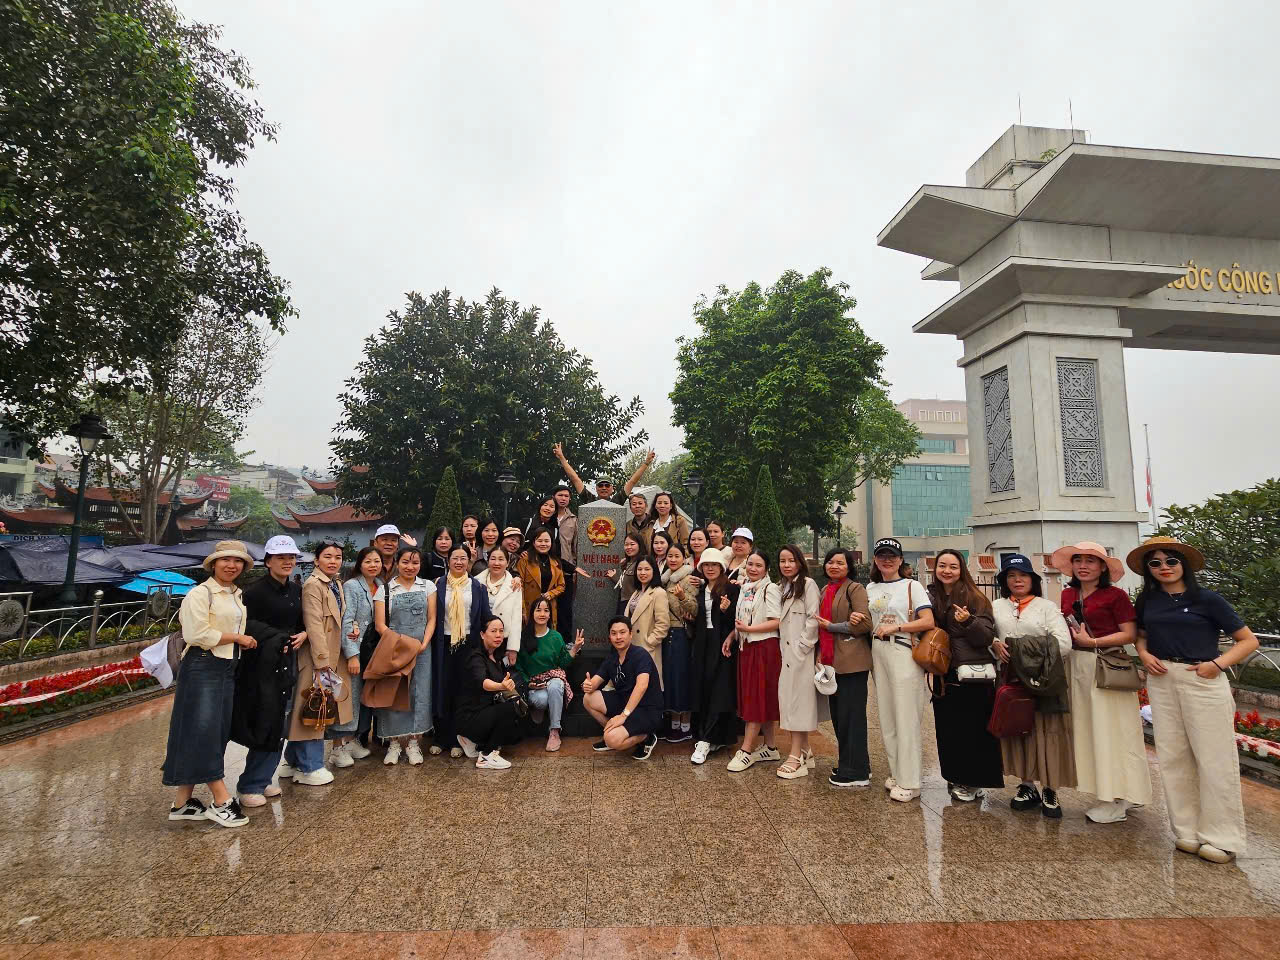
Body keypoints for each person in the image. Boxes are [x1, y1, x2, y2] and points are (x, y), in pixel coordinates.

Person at [1131, 535, 1259, 863]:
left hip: (1202, 678)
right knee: (1174, 757)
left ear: (1183, 564)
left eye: (1171, 561)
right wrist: (1144, 654)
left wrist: (1217, 664)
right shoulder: (1148, 601)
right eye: (1155, 563)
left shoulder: (1207, 599)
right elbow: (1141, 636)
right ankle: (1186, 830)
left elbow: (1248, 641)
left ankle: (1221, 836)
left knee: (1215, 758)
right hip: (1162, 679)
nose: (1164, 567)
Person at [1052, 540, 1151, 824]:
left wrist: (1093, 641)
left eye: (1090, 561)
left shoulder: (1115, 596)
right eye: (1078, 560)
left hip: (1106, 666)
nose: (1083, 566)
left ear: (1103, 567)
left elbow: (1129, 633)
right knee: (1090, 731)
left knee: (1115, 731)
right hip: (1077, 666)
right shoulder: (1068, 594)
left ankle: (1118, 796)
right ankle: (1117, 792)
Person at [163, 540, 256, 827]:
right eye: (225, 560)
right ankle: (220, 799)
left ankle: (182, 802)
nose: (232, 565)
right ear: (213, 564)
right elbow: (196, 633)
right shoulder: (199, 594)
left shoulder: (235, 594)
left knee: (209, 731)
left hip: (226, 666)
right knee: (204, 731)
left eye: (238, 561)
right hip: (203, 665)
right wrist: (238, 638)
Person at [991, 554, 1074, 819]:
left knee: (1047, 732)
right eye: (1011, 576)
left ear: (1032, 579)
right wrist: (994, 644)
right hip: (1011, 679)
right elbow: (990, 636)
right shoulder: (996, 606)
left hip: (1043, 680)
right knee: (1019, 731)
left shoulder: (1046, 607)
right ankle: (1027, 785)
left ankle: (1050, 788)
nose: (1018, 580)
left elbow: (1064, 644)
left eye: (1023, 575)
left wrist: (1022, 649)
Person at [234, 535, 308, 808]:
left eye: (291, 558)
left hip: (287, 662)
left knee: (281, 719)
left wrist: (304, 633)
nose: (287, 562)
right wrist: (276, 637)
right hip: (262, 665)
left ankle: (263, 778)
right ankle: (250, 784)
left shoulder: (296, 590)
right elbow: (244, 624)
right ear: (268, 562)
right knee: (266, 719)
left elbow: (302, 622)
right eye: (281, 558)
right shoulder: (253, 592)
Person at [927, 548, 1002, 802]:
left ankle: (973, 781)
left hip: (971, 674)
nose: (947, 571)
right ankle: (956, 776)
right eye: (942, 566)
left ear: (962, 570)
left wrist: (969, 621)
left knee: (973, 729)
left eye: (953, 566)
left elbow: (987, 637)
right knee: (948, 729)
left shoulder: (975, 597)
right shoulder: (932, 596)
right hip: (944, 673)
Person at [866, 537, 936, 803]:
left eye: (892, 556)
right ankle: (897, 772)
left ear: (900, 559)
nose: (887, 560)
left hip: (903, 649)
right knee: (887, 717)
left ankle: (911, 781)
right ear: (875, 560)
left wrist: (897, 627)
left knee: (906, 717)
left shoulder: (912, 585)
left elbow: (927, 620)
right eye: (882, 555)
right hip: (878, 650)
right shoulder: (871, 587)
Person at [283, 541, 353, 786]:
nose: (333, 561)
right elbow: (313, 623)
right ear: (316, 560)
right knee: (315, 709)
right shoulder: (314, 585)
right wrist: (322, 662)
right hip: (317, 657)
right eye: (328, 556)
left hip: (330, 654)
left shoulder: (335, 583)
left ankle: (292, 761)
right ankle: (309, 766)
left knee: (312, 707)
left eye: (338, 557)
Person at [815, 548, 873, 787]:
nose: (834, 566)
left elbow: (865, 624)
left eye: (840, 563)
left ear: (849, 567)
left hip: (852, 662)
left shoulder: (854, 589)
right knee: (840, 717)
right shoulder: (825, 590)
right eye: (830, 562)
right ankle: (855, 764)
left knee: (852, 717)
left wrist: (832, 627)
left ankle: (855, 772)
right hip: (832, 662)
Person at [376, 546, 437, 766]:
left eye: (415, 563)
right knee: (394, 693)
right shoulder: (385, 589)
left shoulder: (428, 586)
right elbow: (380, 625)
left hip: (421, 650)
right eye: (405, 562)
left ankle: (414, 743)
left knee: (420, 694)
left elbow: (432, 619)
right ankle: (393, 743)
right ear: (397, 563)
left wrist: (423, 644)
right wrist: (401, 645)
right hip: (394, 649)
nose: (410, 567)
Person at [432, 544, 493, 757]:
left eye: (463, 558)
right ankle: (440, 737)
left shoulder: (477, 587)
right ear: (448, 561)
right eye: (455, 558)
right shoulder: (437, 585)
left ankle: (458, 738)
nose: (459, 562)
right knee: (443, 688)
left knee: (464, 692)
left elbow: (485, 617)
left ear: (469, 561)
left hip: (469, 644)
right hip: (443, 644)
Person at [725, 549, 783, 772]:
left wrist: (749, 630)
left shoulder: (771, 588)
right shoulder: (746, 587)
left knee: (756, 698)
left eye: (759, 565)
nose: (753, 569)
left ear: (766, 569)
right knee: (760, 697)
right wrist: (733, 636)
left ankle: (746, 750)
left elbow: (777, 621)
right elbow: (741, 620)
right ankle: (770, 747)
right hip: (747, 646)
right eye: (750, 564)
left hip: (764, 648)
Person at [325, 545, 381, 767]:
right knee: (348, 698)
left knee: (362, 698)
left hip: (372, 650)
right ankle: (337, 747)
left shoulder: (379, 585)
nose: (373, 565)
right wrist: (352, 655)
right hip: (356, 650)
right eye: (368, 561)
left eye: (376, 561)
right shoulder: (352, 585)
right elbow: (347, 620)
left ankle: (350, 741)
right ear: (360, 564)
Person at [583, 616, 664, 759]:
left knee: (611, 739)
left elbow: (642, 685)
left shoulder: (640, 655)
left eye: (622, 632)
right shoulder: (612, 658)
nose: (618, 637)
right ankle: (613, 732)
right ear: (609, 637)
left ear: (631, 634)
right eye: (614, 633)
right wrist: (588, 685)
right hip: (624, 703)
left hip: (646, 709)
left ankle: (646, 737)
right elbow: (595, 681)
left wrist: (623, 716)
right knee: (588, 699)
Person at [775, 545, 823, 780]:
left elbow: (814, 618)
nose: (786, 565)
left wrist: (802, 647)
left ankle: (795, 757)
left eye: (791, 560)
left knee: (797, 704)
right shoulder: (781, 587)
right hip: (786, 654)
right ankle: (805, 750)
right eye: (782, 561)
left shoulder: (808, 584)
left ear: (800, 562)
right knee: (791, 701)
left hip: (800, 655)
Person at [688, 548, 739, 764]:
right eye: (706, 565)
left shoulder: (731, 589)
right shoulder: (700, 590)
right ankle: (708, 736)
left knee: (720, 690)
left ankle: (706, 740)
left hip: (723, 644)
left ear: (721, 567)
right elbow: (698, 618)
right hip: (702, 644)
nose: (710, 568)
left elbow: (739, 619)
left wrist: (727, 610)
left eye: (714, 565)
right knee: (703, 689)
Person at [515, 597, 585, 751]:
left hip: (553, 678)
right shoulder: (523, 638)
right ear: (532, 613)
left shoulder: (556, 637)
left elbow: (562, 663)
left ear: (550, 615)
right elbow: (518, 666)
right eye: (538, 610)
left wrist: (575, 648)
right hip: (534, 684)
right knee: (541, 700)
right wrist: (528, 683)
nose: (542, 614)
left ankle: (554, 731)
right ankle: (538, 708)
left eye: (546, 610)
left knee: (556, 684)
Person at [455, 615, 523, 769]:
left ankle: (473, 742)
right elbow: (484, 682)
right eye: (493, 631)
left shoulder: (497, 656)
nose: (498, 635)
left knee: (516, 732)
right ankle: (486, 755)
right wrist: (501, 686)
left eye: (501, 631)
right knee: (509, 709)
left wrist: (510, 689)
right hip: (470, 716)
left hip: (485, 711)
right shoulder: (476, 657)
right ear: (482, 634)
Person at [660, 542, 697, 741]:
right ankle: (674, 723)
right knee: (671, 678)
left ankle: (686, 725)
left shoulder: (689, 579)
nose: (673, 559)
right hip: (667, 634)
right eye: (670, 556)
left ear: (684, 558)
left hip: (681, 634)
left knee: (682, 678)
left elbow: (694, 610)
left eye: (677, 556)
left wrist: (682, 597)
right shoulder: (664, 579)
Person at [554, 441, 653, 503]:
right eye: (600, 485)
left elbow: (632, 482)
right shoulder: (590, 500)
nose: (604, 488)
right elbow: (575, 479)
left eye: (607, 485)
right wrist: (562, 458)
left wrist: (646, 463)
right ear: (596, 488)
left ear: (612, 488)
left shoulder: (617, 501)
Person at [476, 545, 523, 666]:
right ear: (488, 561)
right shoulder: (476, 582)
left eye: (501, 559)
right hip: (479, 639)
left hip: (501, 640)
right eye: (493, 559)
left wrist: (513, 648)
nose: (496, 563)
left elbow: (516, 619)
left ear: (507, 563)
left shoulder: (514, 585)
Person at [625, 556, 670, 685]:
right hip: (631, 646)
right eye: (639, 569)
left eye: (647, 569)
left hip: (646, 648)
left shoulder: (658, 593)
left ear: (654, 571)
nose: (642, 573)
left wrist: (649, 643)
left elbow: (663, 624)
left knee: (646, 685)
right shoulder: (637, 591)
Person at [516, 526, 566, 627]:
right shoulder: (524, 560)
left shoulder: (556, 562)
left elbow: (561, 585)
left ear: (551, 543)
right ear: (534, 543)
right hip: (529, 608)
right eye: (539, 541)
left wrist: (551, 593)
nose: (543, 544)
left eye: (546, 541)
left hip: (548, 608)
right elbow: (519, 587)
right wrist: (522, 610)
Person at [553, 482, 579, 638]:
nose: (563, 498)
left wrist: (575, 567)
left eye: (566, 496)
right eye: (560, 495)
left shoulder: (573, 519)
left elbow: (576, 545)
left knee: (565, 607)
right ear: (554, 497)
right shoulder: (547, 515)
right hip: (548, 566)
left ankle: (566, 640)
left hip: (567, 568)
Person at [604, 532, 645, 612]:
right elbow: (626, 585)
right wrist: (615, 577)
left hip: (634, 604)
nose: (628, 547)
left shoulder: (642, 563)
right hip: (623, 602)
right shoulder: (628, 563)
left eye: (632, 544)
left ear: (640, 545)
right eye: (626, 544)